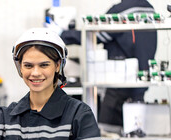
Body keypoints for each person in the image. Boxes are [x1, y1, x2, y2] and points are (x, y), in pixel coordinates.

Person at [58, 0, 157, 131]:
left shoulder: (122, 9)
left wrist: (62, 34)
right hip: (141, 85)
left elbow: (97, 34)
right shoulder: (149, 8)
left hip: (118, 87)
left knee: (108, 136)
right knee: (133, 133)